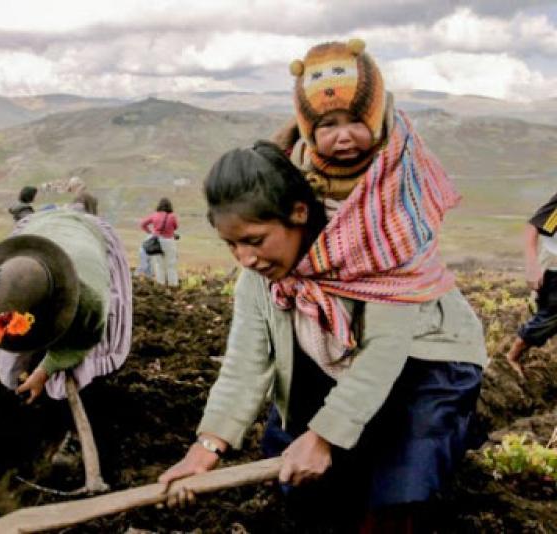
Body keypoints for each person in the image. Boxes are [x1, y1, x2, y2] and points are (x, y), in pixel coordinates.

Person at [158, 142, 487, 532]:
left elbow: (384, 353)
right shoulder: (258, 281)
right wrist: (206, 449)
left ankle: (440, 443)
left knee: (399, 490)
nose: (245, 259)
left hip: (427, 360)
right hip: (336, 360)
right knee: (297, 473)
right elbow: (244, 366)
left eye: (255, 240)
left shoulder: (375, 248)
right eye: (232, 244)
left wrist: (325, 436)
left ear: (298, 213)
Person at [0, 208, 132, 490]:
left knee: (92, 356)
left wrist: (46, 369)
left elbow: (84, 338)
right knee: (11, 367)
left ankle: (73, 432)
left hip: (87, 238)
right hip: (35, 233)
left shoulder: (88, 297)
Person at [506, 190, 557, 377]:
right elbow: (532, 227)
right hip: (554, 268)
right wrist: (531, 265)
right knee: (551, 316)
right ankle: (512, 356)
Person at [140, 198, 179, 286]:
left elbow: (142, 224)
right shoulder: (172, 216)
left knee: (158, 264)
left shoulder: (154, 215)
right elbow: (176, 227)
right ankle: (173, 284)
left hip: (157, 242)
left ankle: (160, 284)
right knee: (171, 264)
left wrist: (150, 232)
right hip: (169, 241)